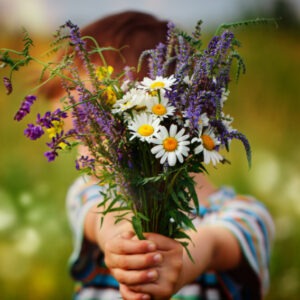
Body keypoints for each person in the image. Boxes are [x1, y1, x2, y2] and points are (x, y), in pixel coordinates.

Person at [44, 11, 275, 300]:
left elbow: (218, 243)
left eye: (90, 137)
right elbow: (101, 219)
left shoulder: (245, 216)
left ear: (148, 116)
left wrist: (184, 261)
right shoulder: (90, 194)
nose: (82, 154)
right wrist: (122, 240)